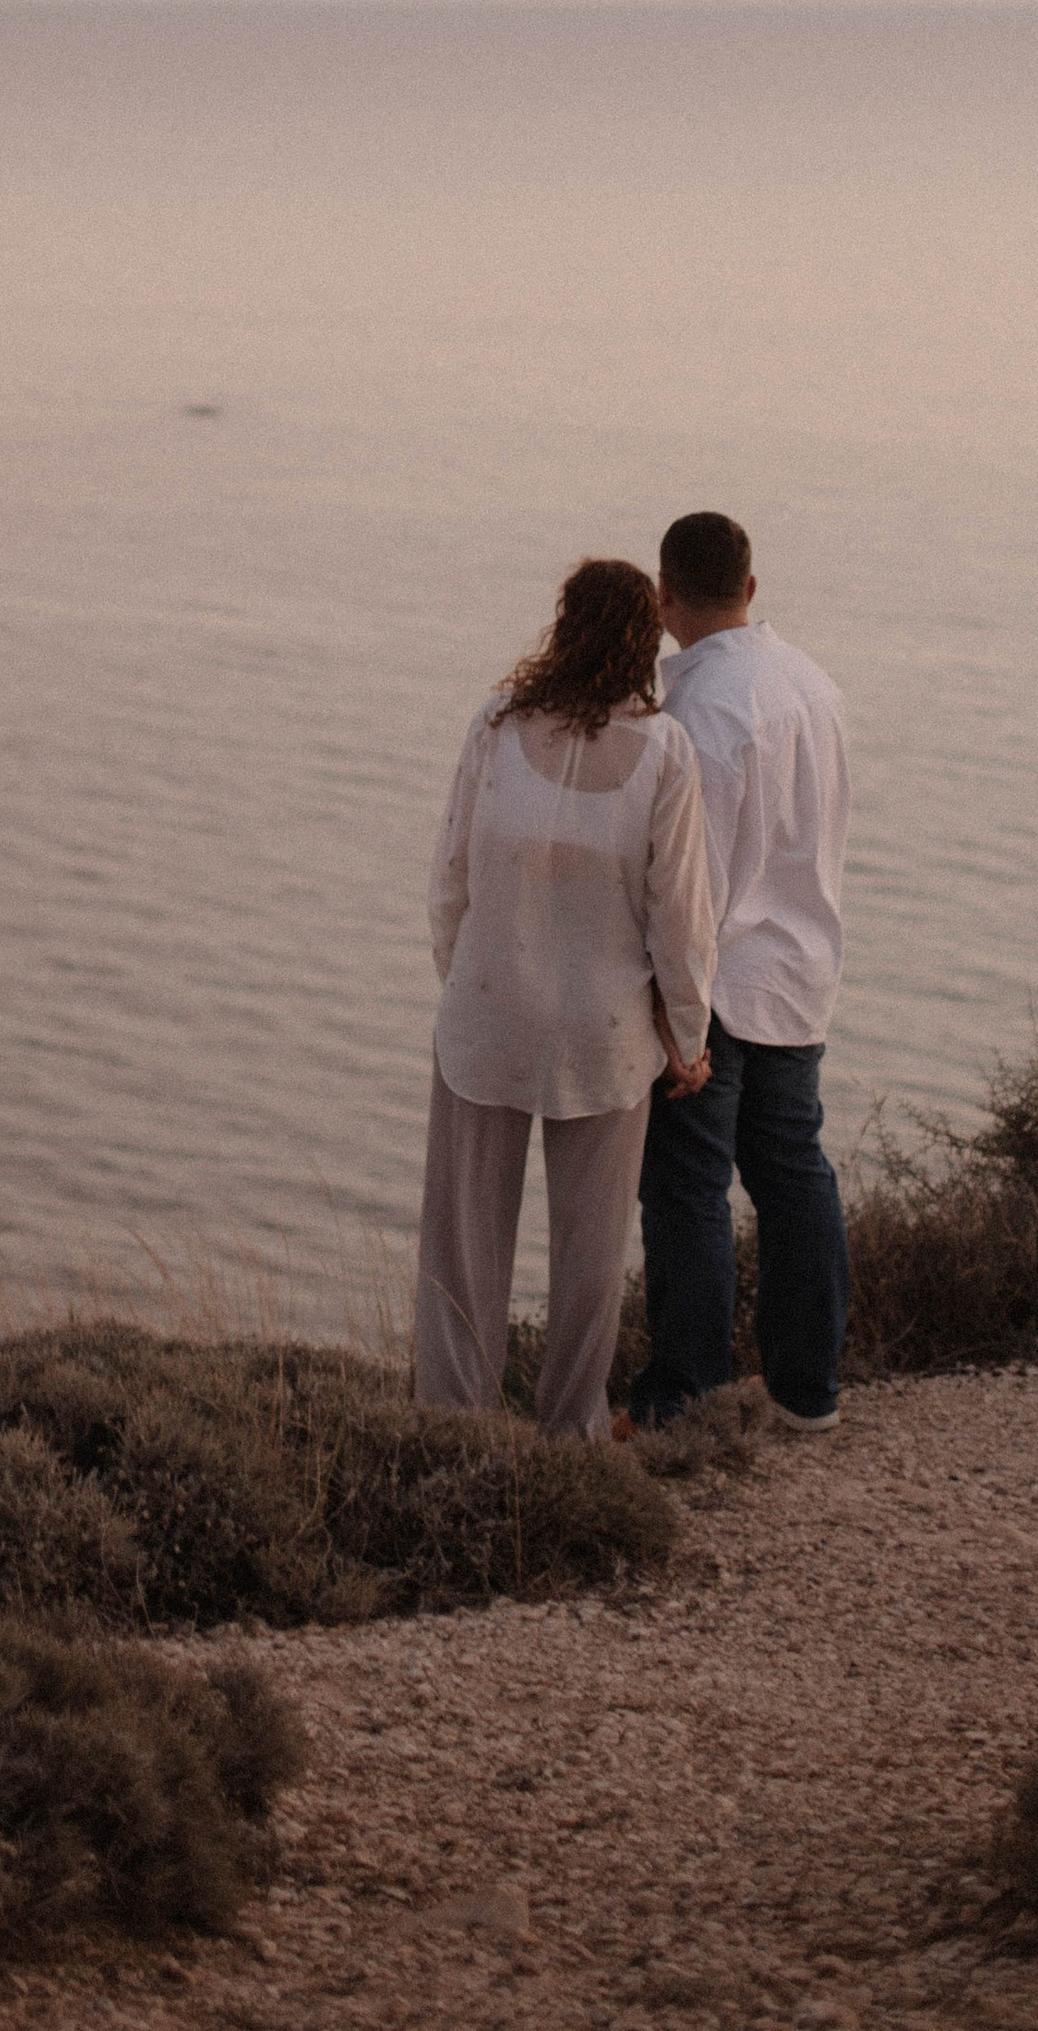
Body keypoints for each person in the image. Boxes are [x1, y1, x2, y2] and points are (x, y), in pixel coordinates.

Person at [416, 557, 716, 1444]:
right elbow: (682, 919)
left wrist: (470, 985)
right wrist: (689, 1038)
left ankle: (451, 1436)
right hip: (606, 1035)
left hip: (487, 1019)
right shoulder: (667, 753)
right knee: (590, 1259)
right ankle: (572, 1438)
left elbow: (448, 884)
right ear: (645, 641)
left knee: (462, 1250)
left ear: (562, 625)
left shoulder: (496, 724)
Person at [627, 511, 854, 1436]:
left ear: (663, 595)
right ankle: (809, 1390)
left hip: (717, 988)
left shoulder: (698, 713)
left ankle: (685, 1396)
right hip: (800, 971)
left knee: (687, 1190)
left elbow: (694, 888)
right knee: (794, 1174)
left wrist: (672, 1019)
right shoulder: (814, 683)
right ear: (751, 587)